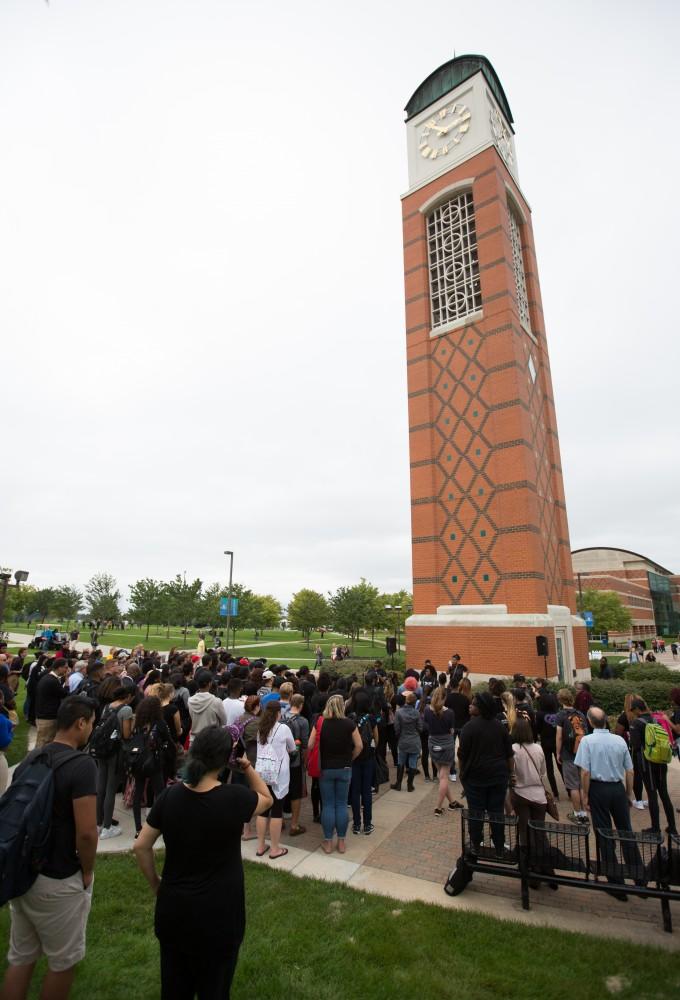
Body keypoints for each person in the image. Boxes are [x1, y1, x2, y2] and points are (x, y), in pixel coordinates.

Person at [133, 728, 272, 1000]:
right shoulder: (233, 798)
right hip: (219, 913)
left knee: (174, 988)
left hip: (174, 908)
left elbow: (141, 845)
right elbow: (266, 799)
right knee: (215, 988)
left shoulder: (170, 797)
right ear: (225, 761)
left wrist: (156, 884)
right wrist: (248, 768)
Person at [1, 696, 98, 1000]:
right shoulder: (82, 764)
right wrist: (87, 871)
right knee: (62, 962)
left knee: (21, 956)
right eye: (91, 724)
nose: (91, 730)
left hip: (24, 868)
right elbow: (86, 833)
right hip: (58, 874)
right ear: (81, 723)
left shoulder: (33, 757)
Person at [575, 707, 639, 899]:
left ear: (590, 721)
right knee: (625, 830)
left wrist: (585, 795)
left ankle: (616, 882)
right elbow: (630, 770)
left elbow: (585, 772)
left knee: (604, 833)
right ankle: (639, 876)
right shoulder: (619, 740)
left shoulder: (587, 741)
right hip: (617, 788)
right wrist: (629, 793)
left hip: (598, 789)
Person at [457, 692, 514, 855]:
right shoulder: (499, 726)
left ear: (480, 708)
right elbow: (509, 755)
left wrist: (463, 775)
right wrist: (511, 775)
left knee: (476, 813)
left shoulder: (469, 728)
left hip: (475, 779)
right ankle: (499, 846)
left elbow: (462, 756)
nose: (470, 706)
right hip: (498, 777)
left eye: (473, 704)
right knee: (496, 813)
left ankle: (475, 844)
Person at [308, 693, 362, 854]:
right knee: (341, 804)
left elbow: (310, 744)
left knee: (328, 805)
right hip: (344, 768)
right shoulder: (350, 724)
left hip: (325, 768)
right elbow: (359, 746)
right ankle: (342, 842)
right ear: (342, 707)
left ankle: (328, 842)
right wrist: (350, 758)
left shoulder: (320, 723)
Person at [254, 695, 295, 860]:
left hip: (262, 772)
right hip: (278, 774)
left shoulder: (260, 729)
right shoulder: (283, 729)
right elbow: (292, 747)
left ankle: (260, 845)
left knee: (263, 811)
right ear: (278, 712)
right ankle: (275, 848)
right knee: (277, 811)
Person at [629, 697, 677, 835]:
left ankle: (655, 828)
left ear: (638, 709)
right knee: (664, 794)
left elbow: (636, 745)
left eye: (634, 710)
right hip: (661, 760)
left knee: (652, 794)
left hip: (646, 762)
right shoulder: (656, 719)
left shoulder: (636, 723)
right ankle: (672, 827)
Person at [95, 685, 134, 840]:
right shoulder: (126, 710)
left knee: (101, 786)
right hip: (116, 752)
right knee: (111, 788)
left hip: (102, 748)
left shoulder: (107, 707)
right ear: (128, 696)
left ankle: (99, 821)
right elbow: (126, 734)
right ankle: (107, 827)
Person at [130, 696, 171, 837]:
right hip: (154, 761)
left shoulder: (138, 723)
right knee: (160, 793)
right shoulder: (159, 723)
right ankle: (161, 825)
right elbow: (168, 740)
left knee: (138, 793)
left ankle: (138, 828)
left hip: (138, 761)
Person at [555, 688, 588, 823]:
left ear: (560, 700)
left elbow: (559, 737)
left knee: (573, 786)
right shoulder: (581, 714)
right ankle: (584, 813)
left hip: (568, 753)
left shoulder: (561, 715)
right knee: (581, 784)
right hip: (582, 752)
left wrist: (558, 752)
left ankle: (577, 813)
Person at [348, 690, 379, 835]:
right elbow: (376, 739)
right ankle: (367, 824)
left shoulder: (350, 718)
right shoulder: (371, 718)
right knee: (366, 791)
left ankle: (356, 824)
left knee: (355, 791)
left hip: (354, 757)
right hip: (368, 757)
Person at [425, 686, 459, 815]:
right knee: (444, 777)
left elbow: (427, 726)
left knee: (441, 775)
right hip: (446, 744)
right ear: (444, 698)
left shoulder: (428, 710)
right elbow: (451, 731)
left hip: (433, 743)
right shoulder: (450, 713)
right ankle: (438, 808)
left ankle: (452, 802)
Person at [282, 693, 309, 836]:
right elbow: (305, 745)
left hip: (281, 760)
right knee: (296, 793)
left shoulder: (281, 718)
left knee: (280, 790)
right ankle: (294, 824)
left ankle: (279, 820)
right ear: (301, 705)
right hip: (295, 761)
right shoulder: (303, 721)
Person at [34, 658, 70, 748]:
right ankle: (37, 761)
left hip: (43, 714)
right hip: (48, 718)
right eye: (65, 667)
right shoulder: (52, 681)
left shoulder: (47, 677)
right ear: (59, 668)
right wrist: (67, 683)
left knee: (43, 742)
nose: (67, 670)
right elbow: (64, 694)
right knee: (44, 743)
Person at [391, 691, 423, 792]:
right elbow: (420, 728)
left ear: (406, 700)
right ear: (414, 703)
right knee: (413, 762)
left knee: (401, 762)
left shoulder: (399, 712)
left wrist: (399, 736)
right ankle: (410, 785)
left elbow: (396, 728)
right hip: (414, 740)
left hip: (403, 739)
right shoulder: (417, 713)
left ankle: (398, 784)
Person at [188, 669, 226, 742]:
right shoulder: (216, 701)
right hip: (210, 740)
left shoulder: (190, 700)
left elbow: (223, 721)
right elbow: (224, 721)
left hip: (196, 739)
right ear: (209, 684)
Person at [536, 689, 561, 799]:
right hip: (556, 742)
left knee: (549, 768)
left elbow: (537, 728)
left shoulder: (540, 714)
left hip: (545, 743)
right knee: (560, 765)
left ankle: (555, 792)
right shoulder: (558, 714)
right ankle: (569, 790)